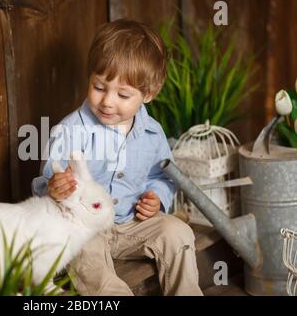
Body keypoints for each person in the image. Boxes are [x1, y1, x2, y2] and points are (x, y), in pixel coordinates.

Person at [31, 19, 202, 296]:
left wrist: (156, 197)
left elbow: (161, 176)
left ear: (149, 94)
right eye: (99, 87)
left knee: (178, 233)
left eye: (123, 94)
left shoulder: (151, 133)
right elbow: (48, 183)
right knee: (85, 247)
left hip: (132, 224)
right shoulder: (71, 131)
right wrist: (55, 188)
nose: (108, 101)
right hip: (85, 228)